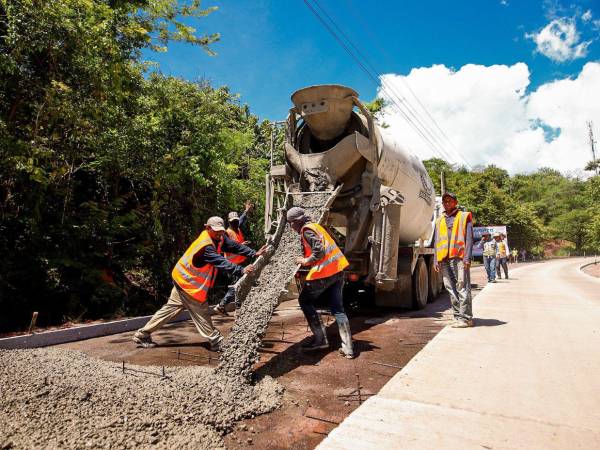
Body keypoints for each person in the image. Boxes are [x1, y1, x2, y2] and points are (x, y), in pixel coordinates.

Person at [132, 216, 265, 351]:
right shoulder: (205, 246)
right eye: (216, 231)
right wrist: (241, 270)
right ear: (207, 228)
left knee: (170, 309)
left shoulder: (219, 238)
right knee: (201, 311)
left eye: (221, 230)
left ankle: (142, 334)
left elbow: (233, 245)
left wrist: (253, 253)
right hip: (189, 284)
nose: (219, 233)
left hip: (181, 279)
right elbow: (221, 262)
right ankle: (216, 340)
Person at [286, 206, 354, 358]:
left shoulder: (306, 230)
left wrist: (305, 261)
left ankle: (320, 340)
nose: (291, 227)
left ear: (297, 221)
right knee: (338, 308)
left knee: (304, 300)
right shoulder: (317, 227)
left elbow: (319, 251)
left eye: (291, 223)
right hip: (338, 270)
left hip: (325, 272)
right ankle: (348, 348)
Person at [433, 192, 474, 328]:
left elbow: (469, 238)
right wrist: (435, 260)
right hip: (444, 259)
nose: (447, 203)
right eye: (445, 201)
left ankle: (466, 318)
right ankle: (458, 317)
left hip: (459, 258)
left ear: (455, 202)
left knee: (462, 287)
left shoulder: (463, 216)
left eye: (450, 201)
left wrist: (467, 258)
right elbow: (437, 241)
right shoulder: (439, 220)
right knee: (450, 289)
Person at [214, 201, 255, 315]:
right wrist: (242, 246)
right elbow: (231, 247)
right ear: (229, 222)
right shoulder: (227, 233)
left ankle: (236, 306)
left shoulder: (238, 228)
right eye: (233, 222)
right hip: (233, 265)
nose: (236, 223)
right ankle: (223, 305)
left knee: (239, 284)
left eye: (236, 221)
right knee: (237, 285)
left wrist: (246, 210)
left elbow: (242, 219)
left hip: (240, 263)